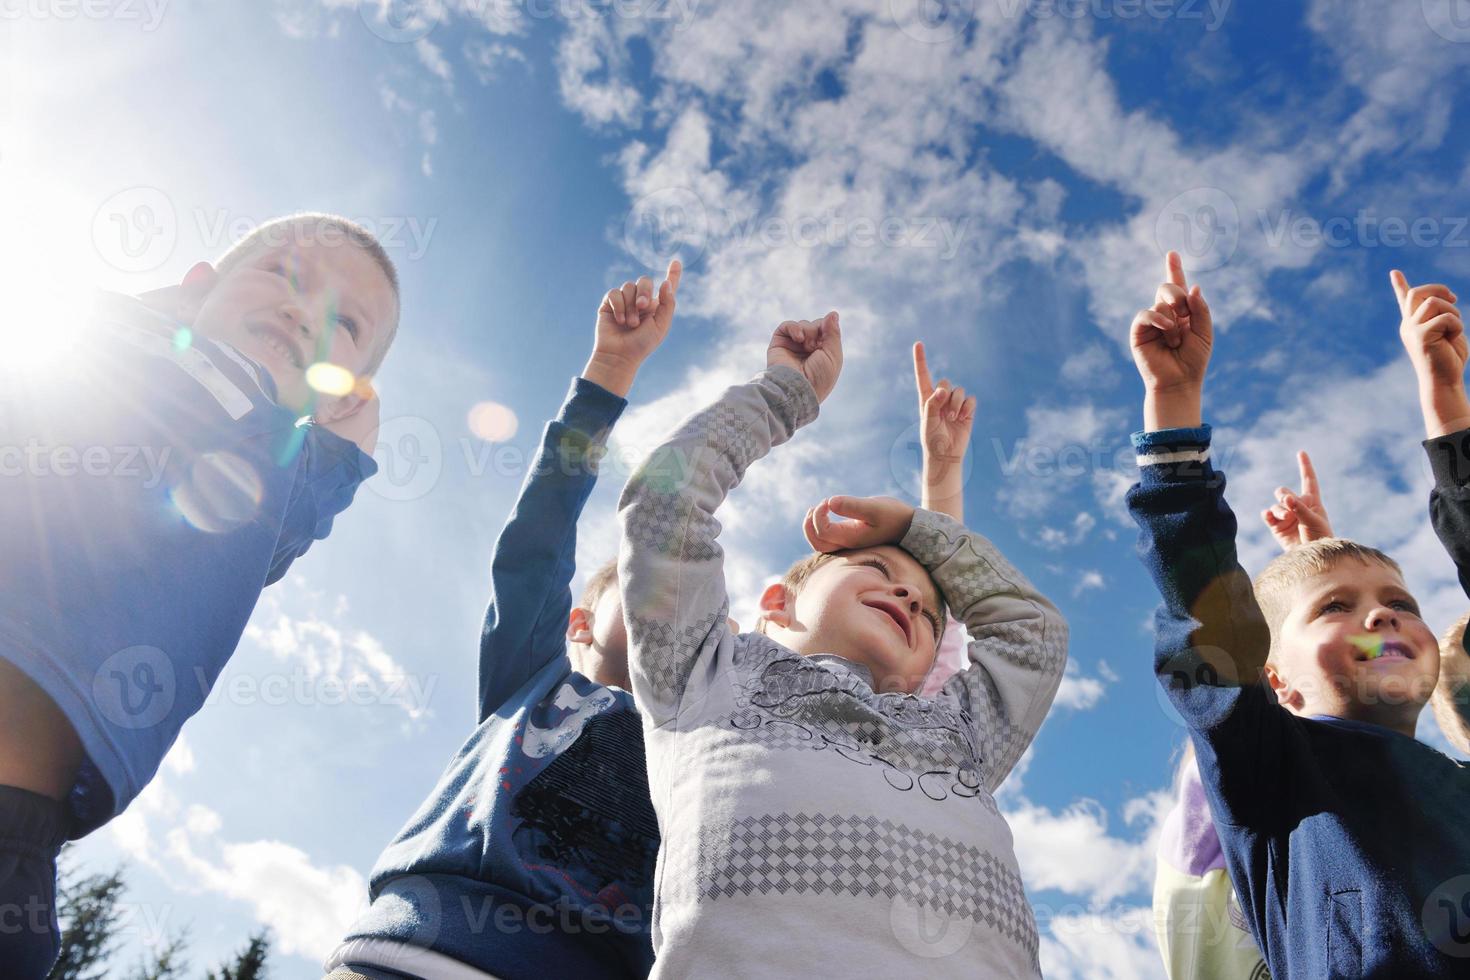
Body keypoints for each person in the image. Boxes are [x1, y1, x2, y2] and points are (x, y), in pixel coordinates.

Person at [0, 213, 399, 978]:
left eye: (344, 321)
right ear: (198, 290)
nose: (303, 310)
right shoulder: (97, 348)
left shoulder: (272, 475)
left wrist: (344, 456)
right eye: (283, 273)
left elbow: (280, 534)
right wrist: (159, 312)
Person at [617, 313, 1068, 976]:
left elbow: (1034, 633)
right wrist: (784, 390)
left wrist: (920, 529)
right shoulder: (708, 676)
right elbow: (665, 505)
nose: (910, 596)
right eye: (878, 571)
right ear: (776, 602)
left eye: (926, 608)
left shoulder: (960, 734)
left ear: (926, 671)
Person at [325, 263, 679, 980]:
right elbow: (536, 541)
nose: (666, 599)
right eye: (641, 583)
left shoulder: (701, 748)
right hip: (410, 954)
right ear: (580, 623)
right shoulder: (532, 673)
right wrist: (607, 373)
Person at [1126, 250, 1470, 975]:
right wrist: (1174, 408)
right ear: (1273, 683)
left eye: (1402, 606)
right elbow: (1212, 621)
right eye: (1342, 607)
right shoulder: (1274, 775)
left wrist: (1446, 402)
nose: (1383, 621)